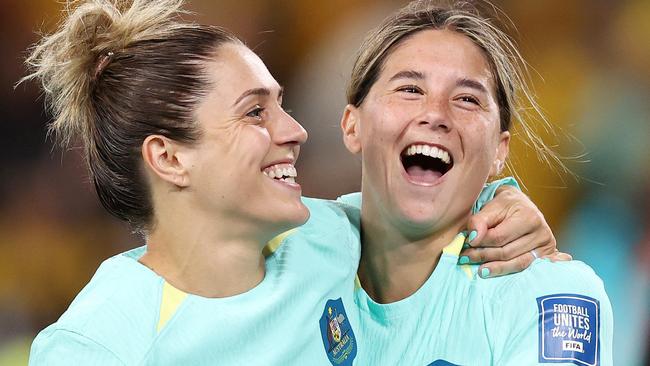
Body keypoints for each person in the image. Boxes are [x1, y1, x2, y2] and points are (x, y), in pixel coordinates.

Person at [22, 0, 565, 364]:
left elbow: (420, 204)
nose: (297, 130)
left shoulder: (326, 241)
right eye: (255, 113)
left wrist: (503, 203)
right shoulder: (99, 344)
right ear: (169, 158)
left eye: (280, 104)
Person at [337, 1, 613, 364]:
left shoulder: (550, 295)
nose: (435, 114)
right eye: (410, 89)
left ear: (500, 151)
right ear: (352, 125)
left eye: (467, 99)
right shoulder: (293, 252)